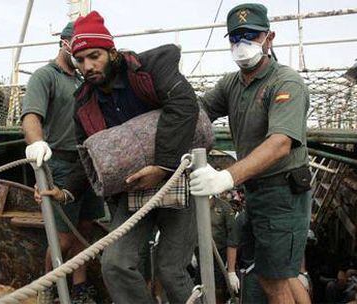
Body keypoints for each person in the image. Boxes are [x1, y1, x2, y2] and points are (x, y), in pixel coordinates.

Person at [39, 11, 200, 304]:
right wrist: (67, 191)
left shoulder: (150, 69)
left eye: (95, 56)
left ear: (112, 52)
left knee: (171, 268)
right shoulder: (84, 103)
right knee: (114, 264)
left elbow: (184, 104)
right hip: (132, 190)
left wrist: (162, 166)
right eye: (80, 60)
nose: (87, 66)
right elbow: (87, 153)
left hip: (176, 177)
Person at [189, 3, 312, 304]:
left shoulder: (285, 82)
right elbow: (198, 111)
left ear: (269, 38)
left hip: (283, 193)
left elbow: (281, 142)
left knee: (273, 281)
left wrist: (225, 177)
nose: (242, 45)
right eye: (235, 38)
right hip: (257, 193)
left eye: (251, 36)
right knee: (279, 274)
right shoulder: (232, 83)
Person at [21, 22, 104, 304]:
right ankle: (49, 286)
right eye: (78, 51)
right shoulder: (45, 76)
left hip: (88, 164)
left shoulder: (84, 80)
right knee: (63, 238)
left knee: (85, 230)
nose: (84, 60)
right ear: (65, 43)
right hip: (59, 163)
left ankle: (79, 288)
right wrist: (36, 142)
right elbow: (31, 115)